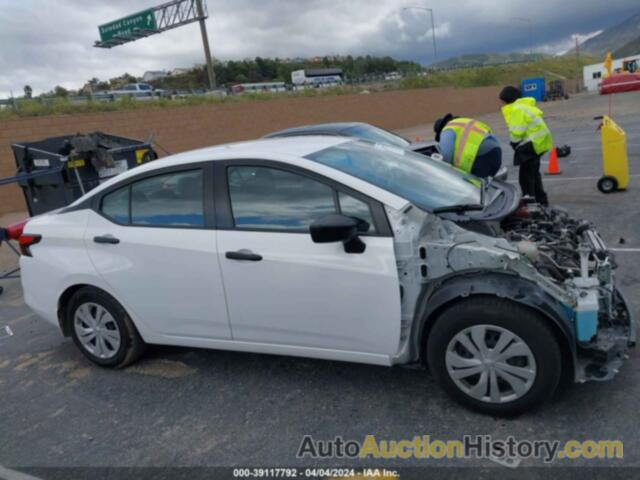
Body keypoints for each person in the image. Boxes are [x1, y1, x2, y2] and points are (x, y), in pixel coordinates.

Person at [499, 86, 553, 205]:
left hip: (531, 145)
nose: (501, 104)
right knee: (534, 174)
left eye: (502, 101)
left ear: (507, 99)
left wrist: (514, 143)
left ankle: (531, 203)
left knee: (525, 178)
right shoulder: (524, 106)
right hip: (540, 143)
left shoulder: (516, 109)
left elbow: (517, 131)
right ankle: (541, 200)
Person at [433, 114, 502, 178]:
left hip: (480, 158)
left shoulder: (447, 129)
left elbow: (446, 155)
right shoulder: (465, 121)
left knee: (476, 188)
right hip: (496, 153)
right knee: (487, 186)